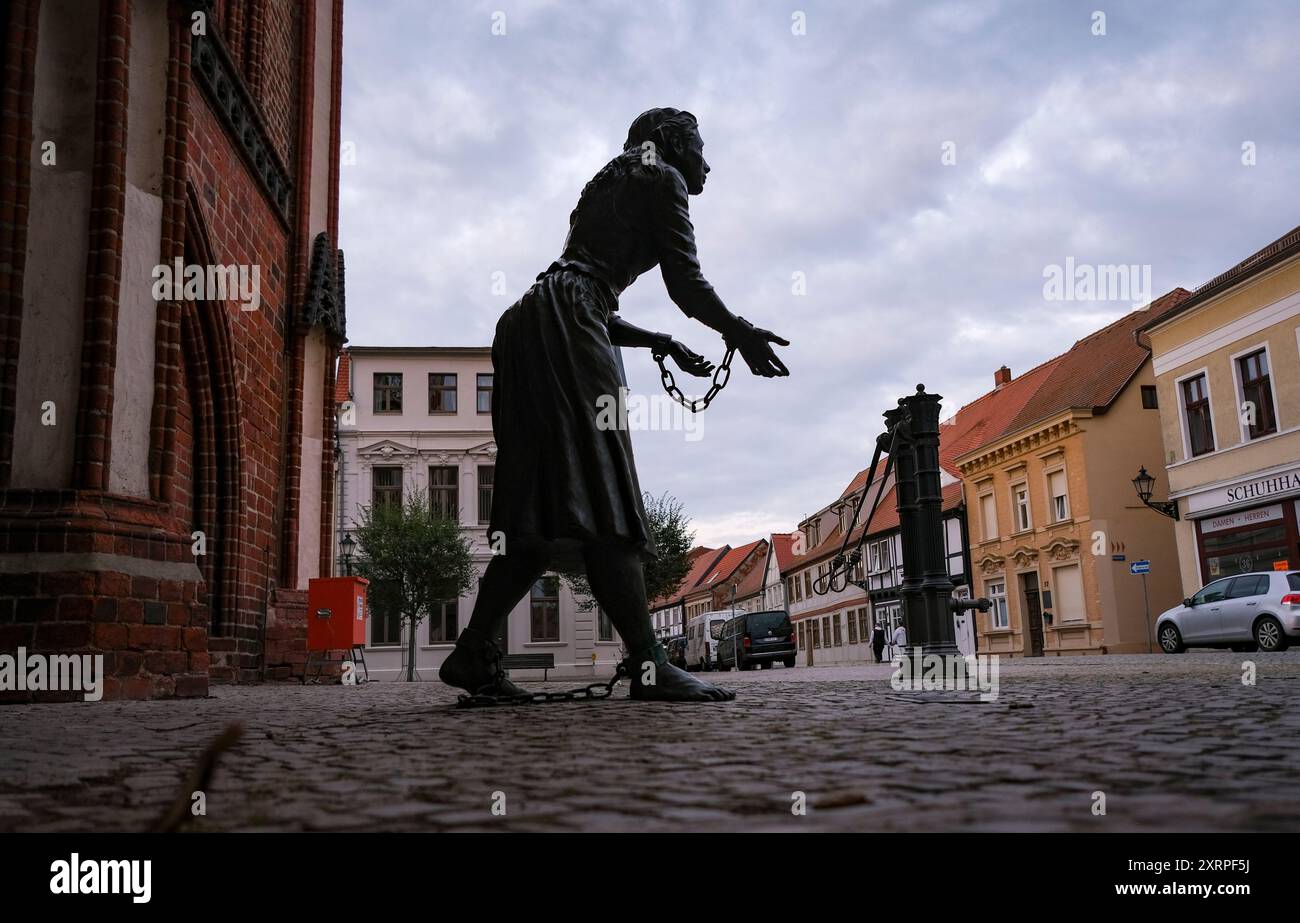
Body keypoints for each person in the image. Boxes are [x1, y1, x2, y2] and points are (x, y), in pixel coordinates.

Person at [438, 109, 790, 702]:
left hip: (530, 320)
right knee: (605, 490)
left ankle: (474, 652)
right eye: (700, 146)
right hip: (570, 321)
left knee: (538, 504)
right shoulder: (663, 177)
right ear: (673, 144)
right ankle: (649, 665)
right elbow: (685, 283)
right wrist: (739, 331)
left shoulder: (609, 178)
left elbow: (586, 284)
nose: (707, 162)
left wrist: (660, 342)